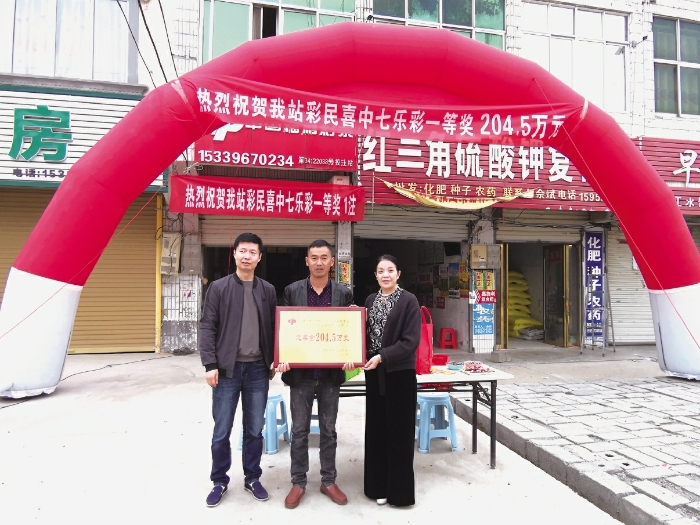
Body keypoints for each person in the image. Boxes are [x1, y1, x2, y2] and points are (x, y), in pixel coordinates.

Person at [200, 232, 277, 508]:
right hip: (226, 370)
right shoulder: (218, 288)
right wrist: (210, 364)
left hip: (257, 370)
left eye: (252, 252)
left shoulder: (267, 290)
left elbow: (275, 328)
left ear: (259, 257)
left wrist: (274, 359)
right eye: (242, 251)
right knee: (222, 429)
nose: (247, 256)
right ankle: (219, 480)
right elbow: (207, 326)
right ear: (234, 254)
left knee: (255, 429)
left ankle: (252, 478)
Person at [276, 239, 354, 509]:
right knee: (299, 431)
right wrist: (283, 357)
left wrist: (350, 354)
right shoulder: (292, 291)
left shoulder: (343, 293)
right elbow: (286, 330)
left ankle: (328, 480)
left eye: (324, 258)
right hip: (302, 375)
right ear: (307, 261)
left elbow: (347, 331)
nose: (319, 262)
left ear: (332, 262)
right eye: (314, 258)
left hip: (330, 375)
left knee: (329, 430)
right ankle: (298, 482)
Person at [362, 254, 421, 507]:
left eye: (390, 270)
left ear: (398, 274)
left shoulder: (409, 300)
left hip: (399, 374)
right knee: (376, 431)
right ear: (375, 275)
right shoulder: (370, 300)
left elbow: (410, 342)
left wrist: (382, 357)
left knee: (399, 433)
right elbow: (364, 335)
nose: (385, 275)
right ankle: (377, 487)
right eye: (380, 271)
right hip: (374, 374)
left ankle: (399, 493)